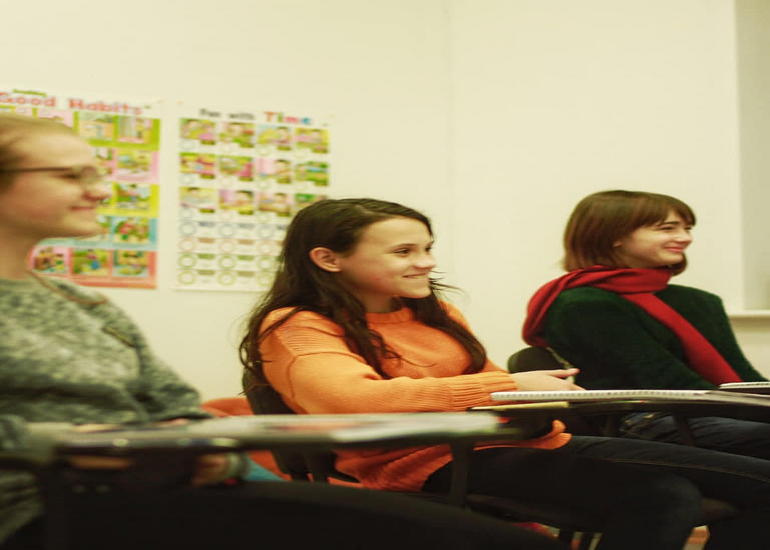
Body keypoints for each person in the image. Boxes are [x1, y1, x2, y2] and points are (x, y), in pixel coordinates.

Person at [0, 113, 568, 550]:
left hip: (157, 487)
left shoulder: (82, 302)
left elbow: (175, 406)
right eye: (70, 175)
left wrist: (206, 451)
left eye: (96, 173)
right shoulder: (299, 322)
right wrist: (67, 447)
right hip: (46, 505)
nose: (100, 191)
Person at [240, 196, 770, 550]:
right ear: (328, 259)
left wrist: (541, 395)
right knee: (663, 495)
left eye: (427, 249)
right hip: (426, 462)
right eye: (404, 252)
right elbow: (351, 400)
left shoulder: (435, 312)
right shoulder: (295, 325)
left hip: (520, 443)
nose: (426, 262)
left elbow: (490, 384)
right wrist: (512, 386)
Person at [522, 189, 770, 459]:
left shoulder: (701, 301)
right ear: (614, 235)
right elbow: (668, 383)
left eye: (687, 228)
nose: (684, 238)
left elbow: (742, 376)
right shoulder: (582, 304)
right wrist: (753, 408)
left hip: (708, 410)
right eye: (667, 228)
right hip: (643, 418)